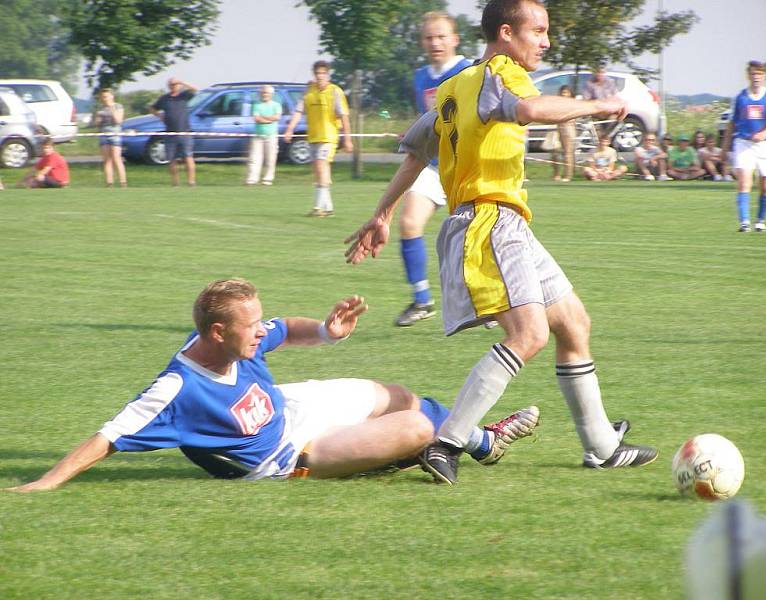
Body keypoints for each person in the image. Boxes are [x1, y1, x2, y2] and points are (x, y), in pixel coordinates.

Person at [345, 0, 658, 485]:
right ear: (507, 33)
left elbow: (413, 155)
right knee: (529, 335)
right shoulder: (502, 73)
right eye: (539, 31)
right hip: (488, 221)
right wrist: (599, 104)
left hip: (506, 222)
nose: (547, 41)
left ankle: (601, 446)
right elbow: (530, 110)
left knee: (573, 322)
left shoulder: (454, 87)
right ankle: (448, 441)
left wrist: (381, 214)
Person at [6, 278, 539, 492]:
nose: (262, 330)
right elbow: (106, 438)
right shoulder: (176, 390)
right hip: (287, 454)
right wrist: (45, 483)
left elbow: (287, 330)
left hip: (292, 405)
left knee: (397, 395)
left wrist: (328, 333)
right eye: (250, 325)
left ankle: (477, 443)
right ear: (217, 333)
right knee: (416, 424)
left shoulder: (245, 335)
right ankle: (473, 442)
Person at [394, 11, 473, 327]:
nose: (435, 43)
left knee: (474, 240)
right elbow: (429, 121)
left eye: (441, 36)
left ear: (455, 39)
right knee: (409, 223)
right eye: (429, 37)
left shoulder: (469, 71)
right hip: (434, 165)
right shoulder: (420, 77)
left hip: (467, 169)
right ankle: (422, 299)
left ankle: (492, 301)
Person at [283, 61, 353, 217]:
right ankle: (328, 208)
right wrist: (290, 129)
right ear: (314, 75)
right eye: (317, 73)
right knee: (318, 172)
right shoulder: (309, 92)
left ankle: (317, 208)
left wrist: (347, 139)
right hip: (313, 137)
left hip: (329, 137)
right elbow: (298, 112)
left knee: (321, 167)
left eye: (323, 73)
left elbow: (344, 116)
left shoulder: (335, 91)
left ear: (328, 74)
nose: (320, 76)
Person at [722, 60, 766, 233]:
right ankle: (744, 222)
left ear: (764, 76)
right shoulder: (740, 97)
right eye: (753, 74)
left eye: (759, 74)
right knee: (744, 181)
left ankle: (760, 221)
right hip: (744, 143)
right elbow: (731, 124)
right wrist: (725, 148)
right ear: (748, 76)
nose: (756, 77)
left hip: (765, 144)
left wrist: (763, 134)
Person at [150, 78, 198, 186]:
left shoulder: (184, 96)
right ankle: (175, 183)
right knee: (171, 159)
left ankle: (191, 182)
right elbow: (153, 108)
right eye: (171, 84)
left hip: (185, 133)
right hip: (170, 134)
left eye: (175, 84)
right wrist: (159, 115)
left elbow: (195, 90)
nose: (173, 86)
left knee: (188, 156)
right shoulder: (164, 99)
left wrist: (183, 82)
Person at [246, 85, 282, 186]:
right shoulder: (257, 105)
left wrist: (265, 119)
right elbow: (256, 118)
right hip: (258, 135)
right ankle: (252, 179)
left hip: (271, 135)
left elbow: (277, 117)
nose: (264, 95)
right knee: (254, 158)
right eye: (262, 93)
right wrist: (268, 120)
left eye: (266, 93)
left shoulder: (276, 105)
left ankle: (267, 179)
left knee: (271, 158)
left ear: (271, 94)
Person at [94, 88, 127, 188]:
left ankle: (123, 182)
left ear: (112, 96)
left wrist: (112, 110)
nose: (104, 99)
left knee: (116, 158)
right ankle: (109, 183)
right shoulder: (100, 109)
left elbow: (118, 121)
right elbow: (97, 123)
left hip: (115, 135)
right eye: (103, 97)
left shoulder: (118, 106)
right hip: (104, 135)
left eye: (106, 96)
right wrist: (98, 119)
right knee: (106, 160)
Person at [582, 65, 618, 136]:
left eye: (601, 72)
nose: (599, 74)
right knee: (596, 133)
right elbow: (586, 99)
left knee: (614, 123)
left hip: (608, 111)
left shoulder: (610, 82)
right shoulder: (589, 84)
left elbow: (615, 96)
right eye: (597, 72)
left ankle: (609, 140)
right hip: (596, 112)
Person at [550, 85, 576, 182]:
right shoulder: (556, 104)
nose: (564, 94)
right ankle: (556, 174)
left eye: (566, 92)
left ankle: (567, 175)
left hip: (568, 128)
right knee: (554, 152)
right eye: (562, 92)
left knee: (568, 153)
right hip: (557, 127)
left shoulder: (572, 104)